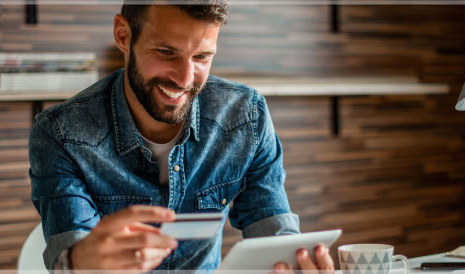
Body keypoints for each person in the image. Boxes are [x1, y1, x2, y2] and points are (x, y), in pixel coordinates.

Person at [29, 1, 334, 272]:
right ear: (123, 36)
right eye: (166, 52)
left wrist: (295, 264)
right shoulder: (61, 133)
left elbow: (273, 232)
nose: (185, 79)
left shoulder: (246, 117)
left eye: (201, 57)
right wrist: (81, 262)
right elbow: (68, 251)